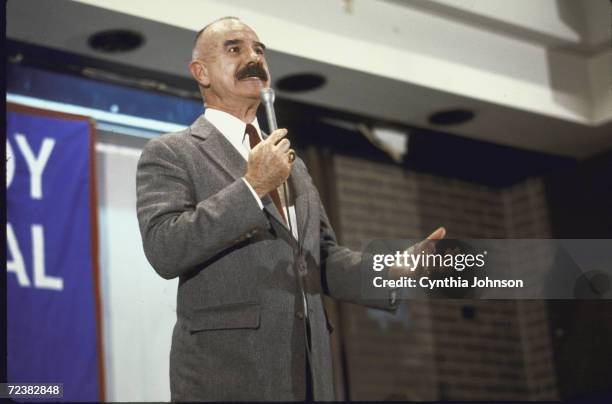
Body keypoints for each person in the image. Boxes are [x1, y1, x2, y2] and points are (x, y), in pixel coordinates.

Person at [136, 16, 445, 401]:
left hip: (306, 372)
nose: (254, 57)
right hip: (227, 376)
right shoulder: (172, 152)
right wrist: (252, 188)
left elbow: (323, 259)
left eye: (259, 50)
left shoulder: (292, 164)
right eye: (235, 49)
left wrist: (391, 271)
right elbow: (166, 248)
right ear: (200, 72)